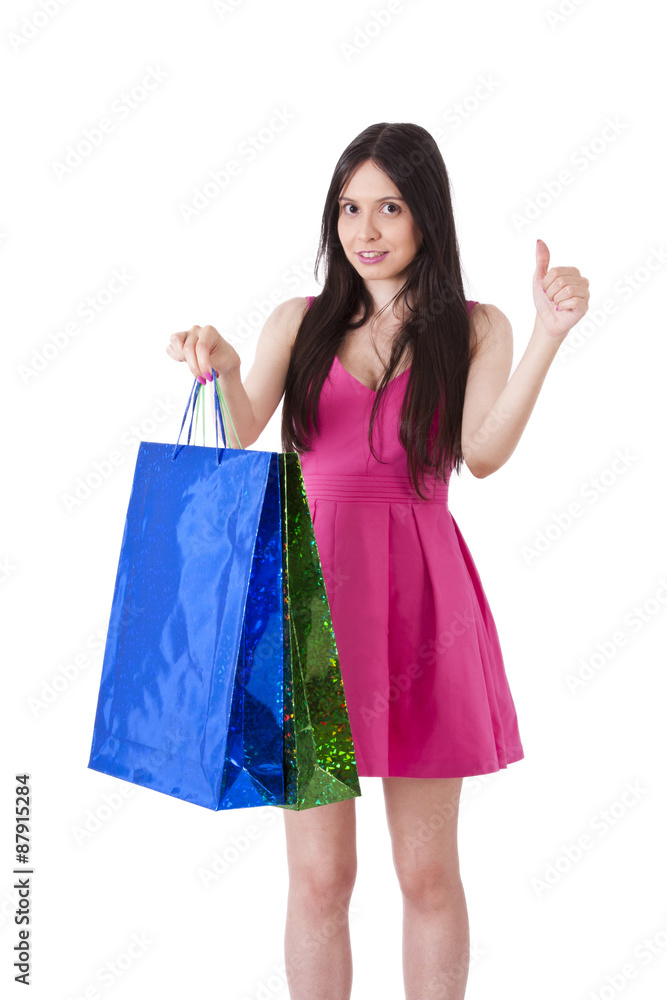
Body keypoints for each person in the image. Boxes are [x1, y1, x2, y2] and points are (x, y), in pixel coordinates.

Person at [166, 122, 590, 1000]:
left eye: (388, 207)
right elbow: (243, 430)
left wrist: (549, 333)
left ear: (425, 216)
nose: (365, 228)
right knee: (320, 877)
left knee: (425, 876)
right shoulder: (302, 320)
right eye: (350, 207)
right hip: (309, 608)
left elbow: (483, 451)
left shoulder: (475, 327)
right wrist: (224, 361)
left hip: (423, 607)